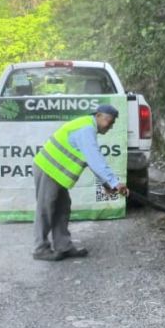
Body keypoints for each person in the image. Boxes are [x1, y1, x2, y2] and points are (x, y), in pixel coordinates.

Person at [32, 104, 127, 261]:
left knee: (62, 208)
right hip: (48, 168)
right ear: (98, 115)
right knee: (46, 208)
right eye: (109, 121)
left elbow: (91, 160)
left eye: (113, 123)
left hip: (57, 172)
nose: (110, 126)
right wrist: (114, 182)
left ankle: (63, 246)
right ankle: (40, 248)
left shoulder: (87, 126)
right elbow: (94, 158)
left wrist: (106, 183)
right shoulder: (86, 128)